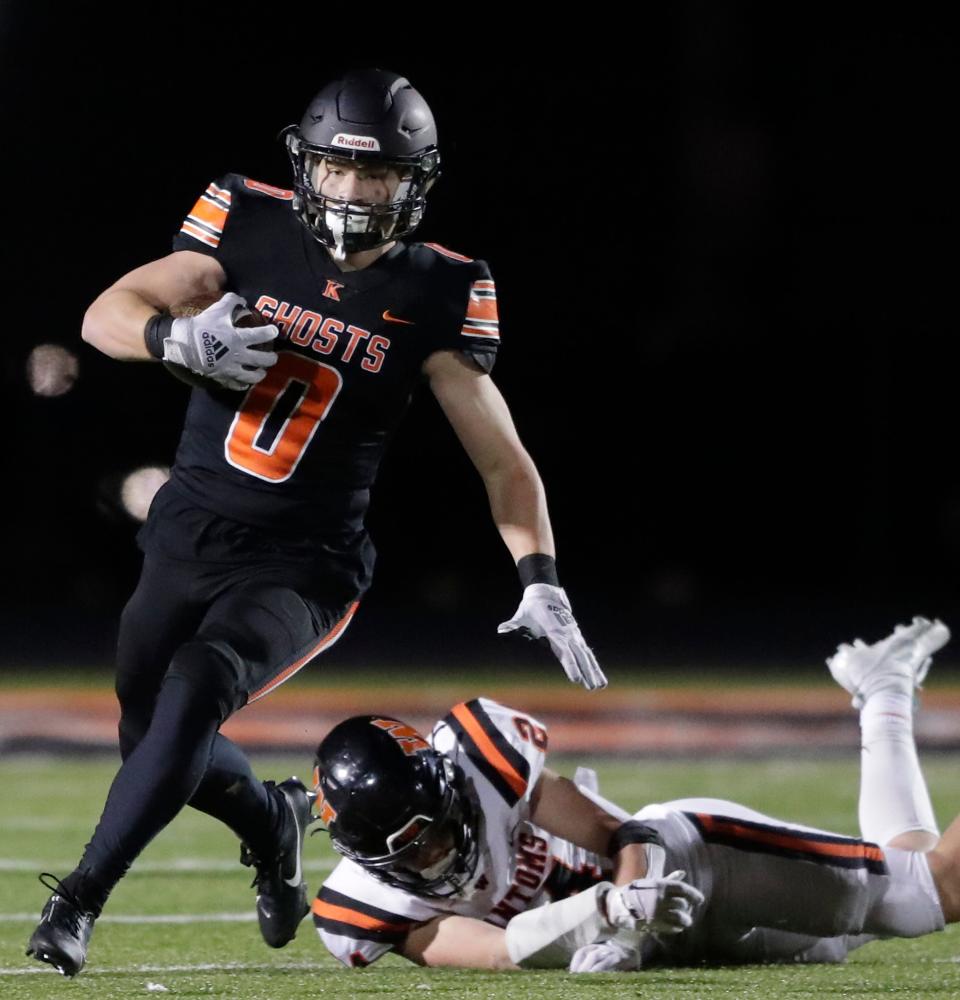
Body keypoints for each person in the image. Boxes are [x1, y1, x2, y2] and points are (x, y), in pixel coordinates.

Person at [26, 68, 603, 978]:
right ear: (306, 165)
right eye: (337, 168)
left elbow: (503, 458)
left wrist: (541, 577)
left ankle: (78, 902)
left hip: (306, 561)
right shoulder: (243, 220)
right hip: (187, 531)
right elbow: (107, 311)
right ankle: (274, 819)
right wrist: (167, 340)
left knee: (197, 684)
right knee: (152, 735)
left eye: (376, 175)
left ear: (412, 182)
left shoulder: (440, 287)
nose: (353, 190)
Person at [309, 616, 960, 971]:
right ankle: (885, 693)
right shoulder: (361, 909)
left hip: (692, 865)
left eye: (444, 826)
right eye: (416, 850)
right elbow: (496, 952)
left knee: (928, 893)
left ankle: (885, 691)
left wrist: (628, 897)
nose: (442, 853)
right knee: (870, 912)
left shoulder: (483, 759)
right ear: (373, 861)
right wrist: (611, 920)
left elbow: (630, 834)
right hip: (648, 940)